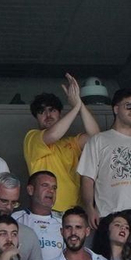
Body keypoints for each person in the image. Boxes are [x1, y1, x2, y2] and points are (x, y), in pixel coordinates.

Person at [23, 76, 99, 215]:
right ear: (36, 118)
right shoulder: (32, 137)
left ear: (60, 114)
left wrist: (79, 104)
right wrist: (75, 107)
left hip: (75, 212)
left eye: (52, 110)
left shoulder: (72, 142)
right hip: (47, 212)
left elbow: (96, 137)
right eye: (41, 112)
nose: (47, 115)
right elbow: (53, 135)